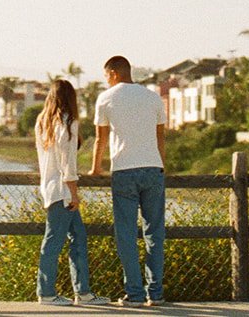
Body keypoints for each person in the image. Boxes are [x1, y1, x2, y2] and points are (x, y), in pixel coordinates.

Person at [89, 55, 167, 307]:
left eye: (105, 76)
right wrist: (162, 166)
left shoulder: (106, 98)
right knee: (154, 232)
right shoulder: (153, 97)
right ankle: (155, 293)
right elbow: (160, 138)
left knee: (126, 233)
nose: (106, 81)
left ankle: (134, 293)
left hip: (123, 169)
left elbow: (100, 139)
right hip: (153, 169)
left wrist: (95, 169)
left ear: (112, 73)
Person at [35, 78, 109, 306]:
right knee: (54, 242)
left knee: (78, 238)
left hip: (50, 188)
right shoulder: (68, 122)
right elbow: (68, 164)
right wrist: (74, 193)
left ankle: (83, 292)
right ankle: (46, 293)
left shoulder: (42, 121)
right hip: (63, 191)